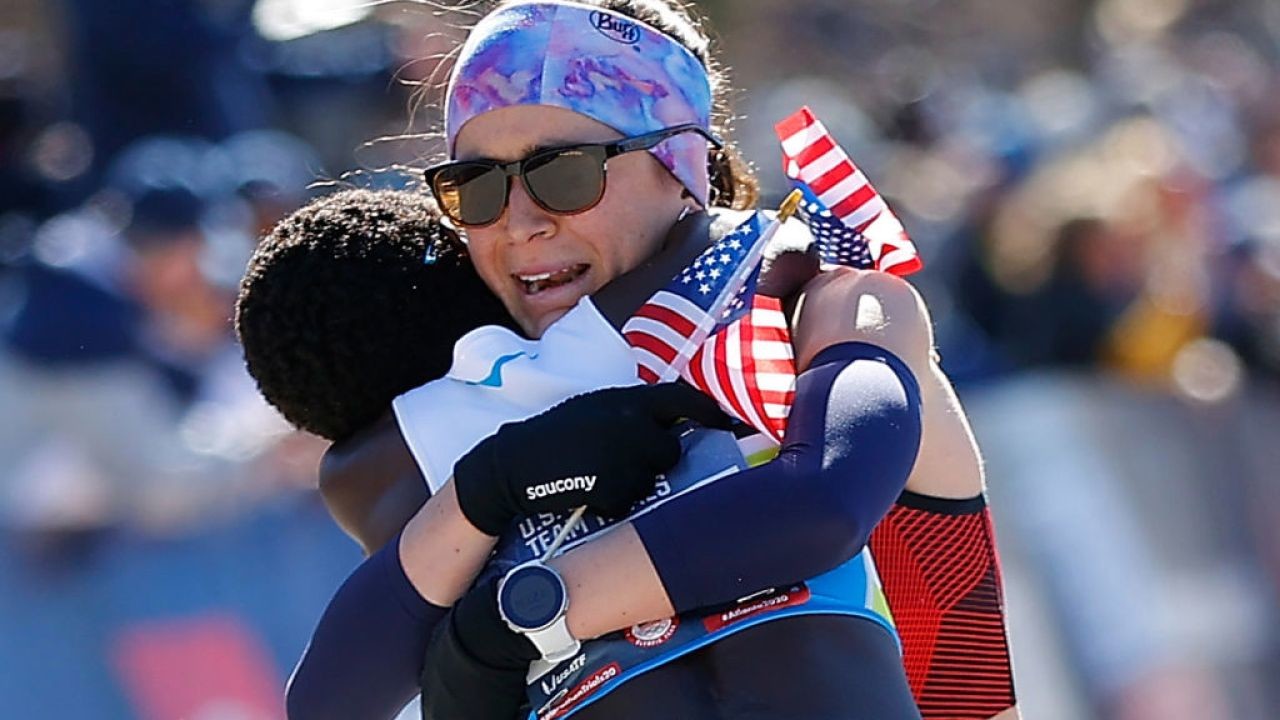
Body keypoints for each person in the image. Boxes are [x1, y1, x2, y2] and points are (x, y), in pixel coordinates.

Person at [244, 3, 1017, 718]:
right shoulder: (470, 404)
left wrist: (522, 617)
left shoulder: (822, 301)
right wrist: (494, 484)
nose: (519, 223)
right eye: (476, 187)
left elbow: (826, 508)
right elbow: (328, 702)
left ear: (681, 165)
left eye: (565, 173)